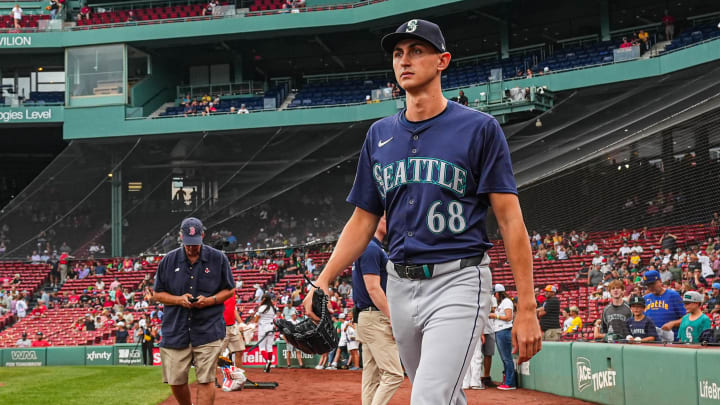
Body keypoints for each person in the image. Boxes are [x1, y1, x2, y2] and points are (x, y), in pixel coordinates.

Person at [304, 19, 541, 405]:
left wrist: (526, 305)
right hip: (399, 286)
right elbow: (363, 218)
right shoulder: (379, 134)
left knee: (428, 399)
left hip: (459, 281)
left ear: (442, 60)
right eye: (398, 54)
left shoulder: (479, 128)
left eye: (416, 51)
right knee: (443, 396)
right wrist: (324, 279)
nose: (404, 61)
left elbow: (511, 219)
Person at [152, 217, 235, 405]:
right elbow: (157, 294)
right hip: (175, 328)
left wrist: (210, 300)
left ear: (203, 236)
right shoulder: (168, 260)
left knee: (206, 379)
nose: (191, 248)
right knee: (176, 380)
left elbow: (230, 290)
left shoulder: (218, 258)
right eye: (188, 244)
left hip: (208, 328)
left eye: (195, 243)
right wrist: (178, 300)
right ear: (181, 237)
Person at [352, 216, 403, 405]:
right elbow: (373, 289)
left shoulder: (368, 247)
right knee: (394, 374)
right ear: (378, 220)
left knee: (371, 376)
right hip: (376, 317)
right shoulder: (371, 248)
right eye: (387, 217)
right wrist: (393, 317)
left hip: (368, 317)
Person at [643, 270, 685, 342]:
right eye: (648, 285)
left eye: (652, 284)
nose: (650, 288)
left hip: (671, 340)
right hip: (652, 341)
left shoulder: (673, 295)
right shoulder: (646, 298)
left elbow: (687, 318)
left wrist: (673, 323)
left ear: (660, 281)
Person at [488, 284, 516, 390]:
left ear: (498, 293)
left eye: (495, 294)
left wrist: (496, 316)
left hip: (504, 331)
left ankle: (510, 383)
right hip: (500, 331)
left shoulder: (507, 302)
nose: (494, 296)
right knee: (505, 358)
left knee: (507, 358)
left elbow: (509, 317)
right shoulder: (502, 303)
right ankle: (508, 381)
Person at [219, 292, 245, 369]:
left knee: (239, 351)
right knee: (216, 355)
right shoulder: (218, 291)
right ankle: (213, 379)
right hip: (221, 327)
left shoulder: (232, 292)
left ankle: (238, 375)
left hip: (233, 327)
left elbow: (233, 309)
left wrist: (241, 323)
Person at [253, 294, 277, 373]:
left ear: (264, 299)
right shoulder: (273, 308)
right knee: (269, 347)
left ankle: (267, 361)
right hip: (271, 328)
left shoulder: (262, 307)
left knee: (262, 348)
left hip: (263, 328)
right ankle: (269, 362)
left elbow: (256, 319)